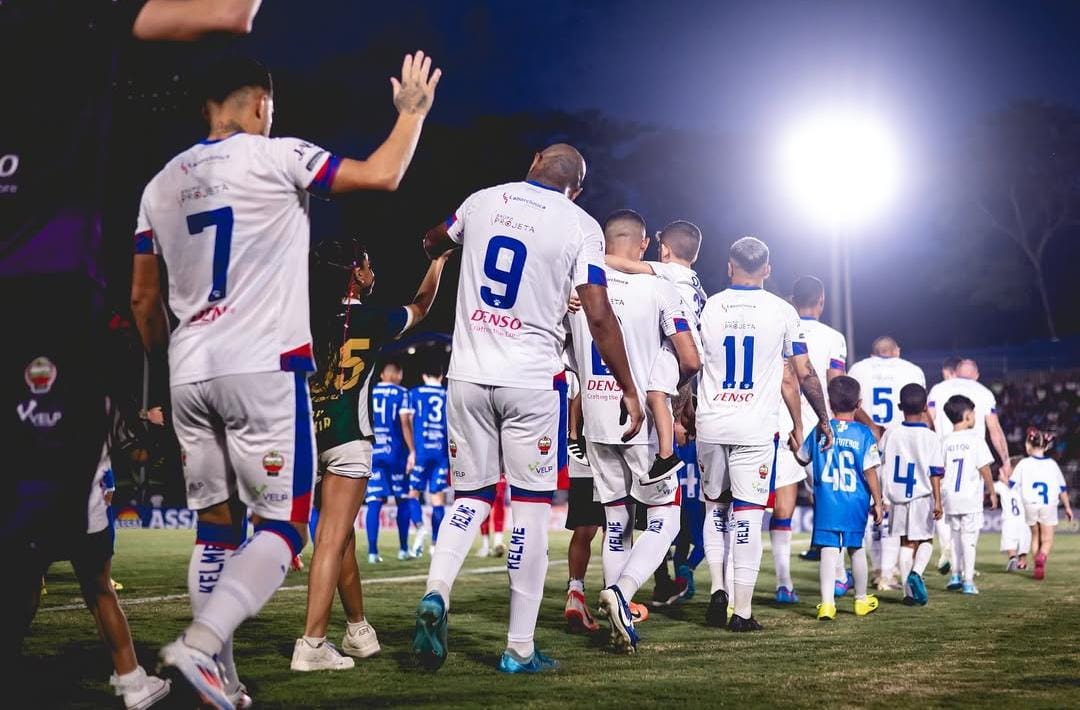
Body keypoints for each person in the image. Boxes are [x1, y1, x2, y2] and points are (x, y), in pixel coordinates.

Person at [129, 52, 441, 706]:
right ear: (261, 105)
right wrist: (411, 114)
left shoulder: (158, 184)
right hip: (262, 363)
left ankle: (226, 681)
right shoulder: (274, 154)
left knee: (215, 529)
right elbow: (381, 174)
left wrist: (164, 379)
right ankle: (202, 644)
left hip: (188, 369)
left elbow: (141, 301)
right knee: (286, 525)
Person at [3, 0, 263, 660]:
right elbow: (231, 14)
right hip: (43, 293)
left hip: (46, 296)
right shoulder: (71, 18)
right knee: (35, 528)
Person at [414, 143, 644, 673]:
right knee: (531, 510)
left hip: (468, 374)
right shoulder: (580, 224)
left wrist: (449, 249)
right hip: (533, 381)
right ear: (577, 187)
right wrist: (627, 386)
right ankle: (518, 648)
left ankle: (437, 591)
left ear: (535, 160)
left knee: (470, 496)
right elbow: (600, 315)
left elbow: (431, 241)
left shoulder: (481, 200)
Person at [294, 240, 449, 672]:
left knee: (341, 536)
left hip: (310, 436)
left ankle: (358, 630)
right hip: (349, 437)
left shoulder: (308, 315)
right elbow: (420, 306)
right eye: (367, 265)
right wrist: (437, 263)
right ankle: (312, 643)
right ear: (355, 275)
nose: (372, 270)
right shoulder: (371, 317)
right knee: (331, 538)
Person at [566, 209, 700, 653]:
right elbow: (691, 358)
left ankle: (614, 613)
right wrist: (674, 397)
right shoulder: (660, 288)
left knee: (616, 519)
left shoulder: (578, 287)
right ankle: (621, 593)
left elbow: (563, 349)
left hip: (595, 420)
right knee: (665, 517)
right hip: (639, 414)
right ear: (643, 245)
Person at [693, 236, 833, 632]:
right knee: (749, 517)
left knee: (714, 509)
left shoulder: (711, 305)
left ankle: (717, 589)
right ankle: (741, 611)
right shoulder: (782, 311)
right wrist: (822, 418)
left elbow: (691, 362)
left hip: (712, 420)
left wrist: (682, 409)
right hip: (754, 426)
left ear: (728, 266)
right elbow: (803, 373)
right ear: (768, 270)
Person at [602, 220, 707, 483]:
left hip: (678, 343)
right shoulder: (696, 281)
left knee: (655, 394)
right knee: (664, 392)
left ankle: (665, 455)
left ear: (666, 250)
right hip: (694, 344)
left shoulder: (668, 271)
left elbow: (627, 266)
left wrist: (593, 257)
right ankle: (678, 427)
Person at [771, 275, 848, 604]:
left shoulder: (780, 330)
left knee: (783, 507)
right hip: (821, 429)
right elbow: (837, 386)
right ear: (822, 301)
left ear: (792, 299)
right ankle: (841, 577)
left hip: (782, 424)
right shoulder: (833, 337)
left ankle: (784, 583)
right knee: (833, 501)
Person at [795, 376, 883, 621]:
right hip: (855, 501)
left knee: (829, 551)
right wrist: (878, 500)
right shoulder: (864, 434)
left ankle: (826, 605)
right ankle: (861, 600)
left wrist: (794, 445)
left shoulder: (820, 430)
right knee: (856, 549)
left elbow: (802, 459)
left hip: (827, 501)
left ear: (829, 404)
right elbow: (870, 471)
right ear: (859, 403)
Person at [927, 358, 1012, 574]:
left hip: (942, 453)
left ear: (955, 372)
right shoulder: (983, 392)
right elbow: (995, 429)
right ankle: (965, 565)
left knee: (942, 506)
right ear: (976, 375)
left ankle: (948, 548)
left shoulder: (938, 389)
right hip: (971, 459)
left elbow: (928, 421)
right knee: (971, 513)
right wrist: (1006, 460)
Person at [879, 384, 943, 607]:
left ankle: (908, 593)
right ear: (925, 407)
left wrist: (878, 497)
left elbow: (879, 460)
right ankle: (916, 572)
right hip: (922, 497)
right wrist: (938, 500)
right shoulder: (931, 437)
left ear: (899, 406)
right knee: (925, 540)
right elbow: (935, 472)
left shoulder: (891, 433)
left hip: (896, 498)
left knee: (905, 542)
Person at [940, 395, 997, 595]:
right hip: (969, 496)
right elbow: (984, 468)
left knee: (955, 537)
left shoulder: (945, 441)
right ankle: (968, 580)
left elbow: (940, 470)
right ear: (966, 416)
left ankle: (955, 575)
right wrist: (992, 491)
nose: (974, 417)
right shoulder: (975, 439)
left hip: (950, 497)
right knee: (969, 539)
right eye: (973, 413)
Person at [563, 371, 604, 633]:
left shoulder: (577, 348)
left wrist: (573, 436)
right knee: (618, 524)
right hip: (612, 445)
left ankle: (575, 592)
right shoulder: (616, 338)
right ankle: (618, 595)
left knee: (585, 527)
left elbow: (573, 397)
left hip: (581, 450)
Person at [367, 363, 414, 562]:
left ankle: (372, 553)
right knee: (402, 498)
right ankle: (403, 549)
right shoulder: (403, 393)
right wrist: (412, 450)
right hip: (396, 453)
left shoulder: (370, 391)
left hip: (374, 451)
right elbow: (405, 423)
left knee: (374, 500)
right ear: (398, 374)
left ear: (381, 375)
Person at [1013, 429, 1073, 580]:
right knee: (1047, 539)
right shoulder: (1052, 464)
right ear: (1046, 446)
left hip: (1030, 504)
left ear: (1028, 445)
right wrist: (1067, 507)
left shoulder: (1023, 463)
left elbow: (1012, 483)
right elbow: (1062, 488)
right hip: (1048, 505)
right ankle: (1042, 557)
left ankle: (1036, 566)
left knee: (1035, 536)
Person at [403, 366, 450, 557]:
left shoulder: (414, 393)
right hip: (441, 453)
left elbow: (407, 421)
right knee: (438, 499)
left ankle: (421, 527)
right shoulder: (447, 394)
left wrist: (411, 451)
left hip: (421, 451)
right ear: (441, 375)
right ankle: (434, 545)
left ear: (423, 375)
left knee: (412, 494)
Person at [995, 468, 1031, 572]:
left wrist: (1002, 479)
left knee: (1009, 540)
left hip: (1009, 519)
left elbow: (991, 487)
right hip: (1024, 519)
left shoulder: (1001, 485)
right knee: (1024, 541)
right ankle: (1022, 562)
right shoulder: (1024, 484)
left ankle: (1012, 559)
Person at [477, 476, 509, 557]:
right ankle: (486, 546)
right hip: (483, 474)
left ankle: (497, 543)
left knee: (497, 503)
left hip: (498, 472)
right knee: (484, 505)